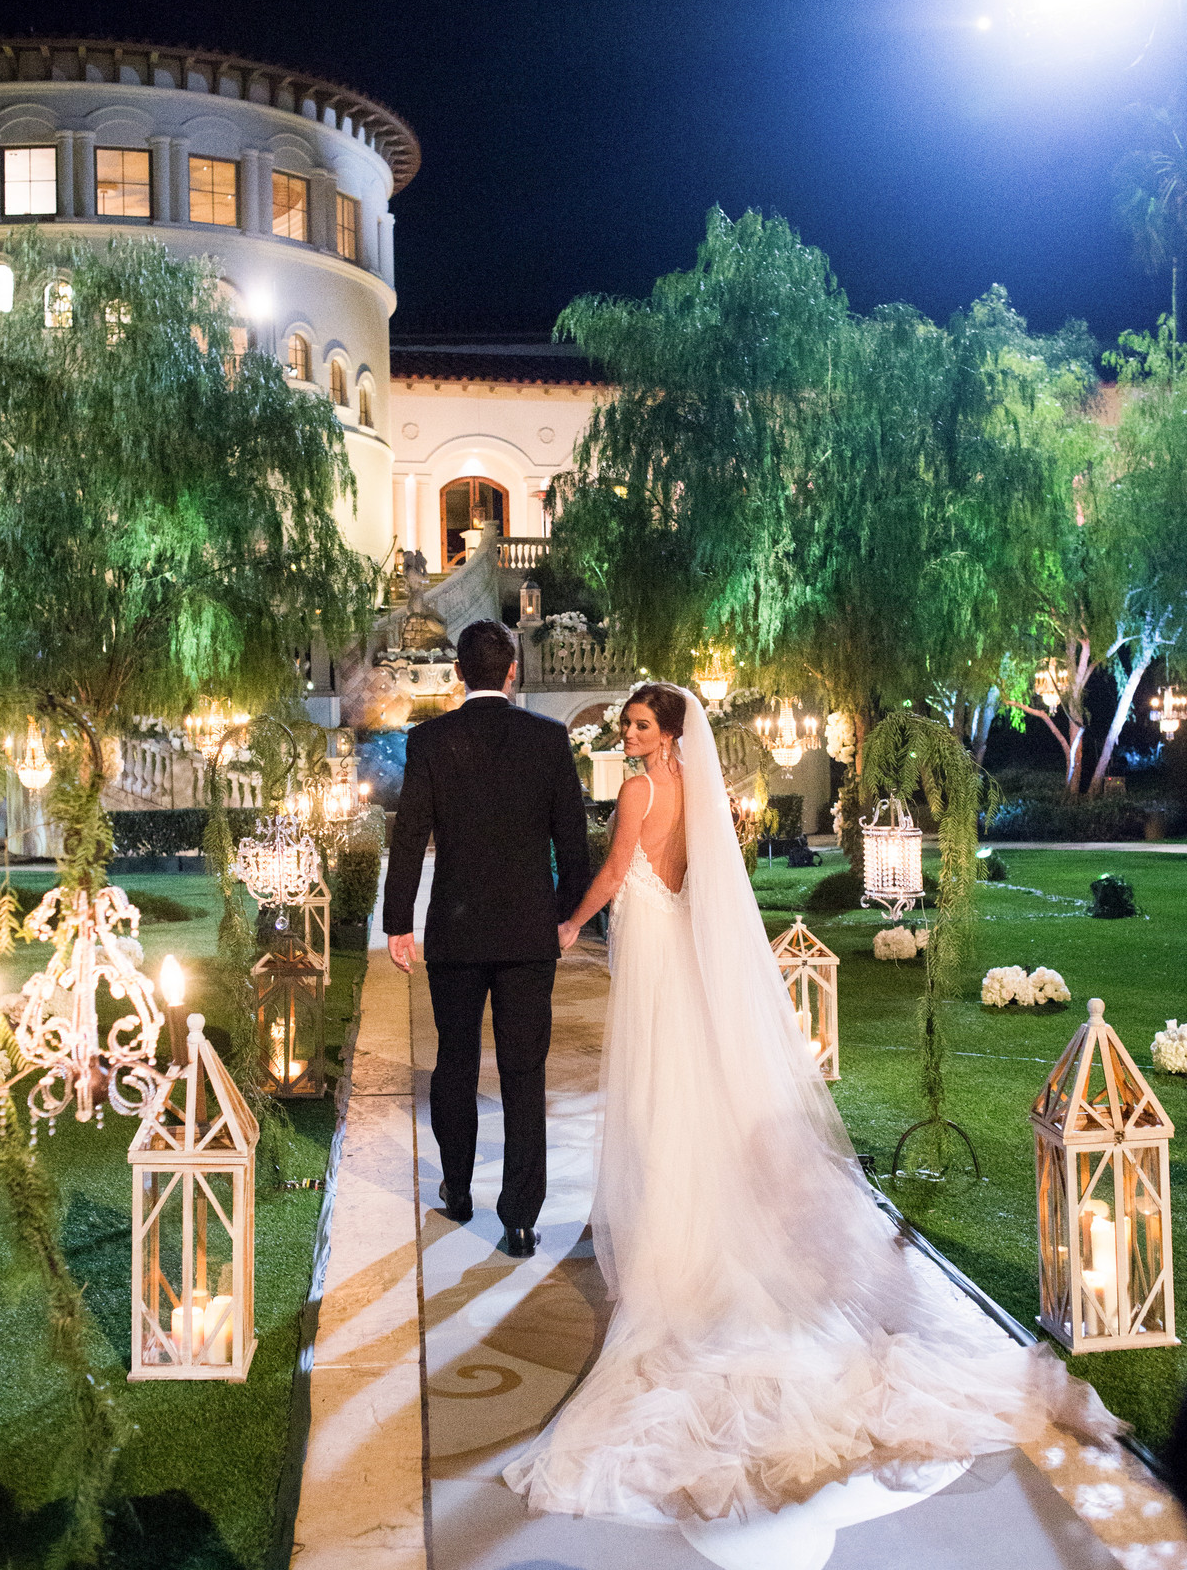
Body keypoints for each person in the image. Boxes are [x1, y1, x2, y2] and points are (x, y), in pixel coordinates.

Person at [504, 683, 1113, 1521]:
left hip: (649, 956)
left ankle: (672, 1250)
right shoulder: (694, 789)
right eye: (627, 725)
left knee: (654, 1096)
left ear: (668, 731)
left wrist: (572, 923)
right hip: (675, 942)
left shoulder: (640, 791)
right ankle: (691, 1224)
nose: (628, 733)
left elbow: (616, 872)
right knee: (686, 1090)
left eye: (640, 724)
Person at [383, 618, 591, 1258]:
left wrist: (398, 922)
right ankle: (520, 1220)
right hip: (529, 932)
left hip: (457, 928)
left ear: (456, 673)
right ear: (512, 671)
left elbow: (409, 835)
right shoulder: (548, 738)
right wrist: (569, 917)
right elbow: (572, 840)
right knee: (524, 1073)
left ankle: (457, 1188)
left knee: (455, 1061)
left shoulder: (430, 740)